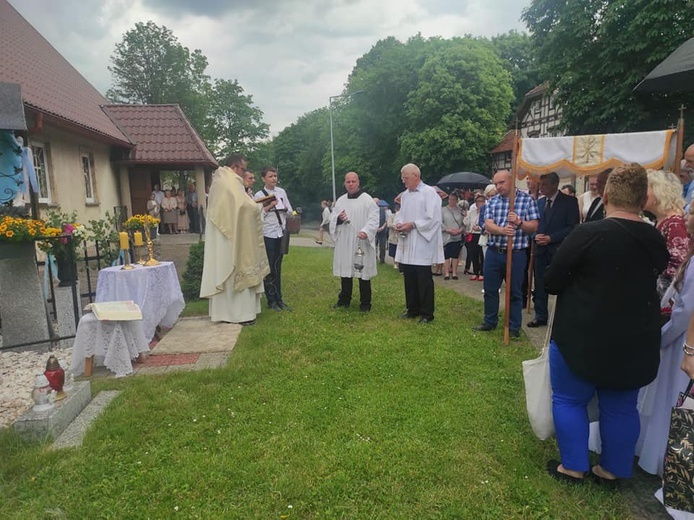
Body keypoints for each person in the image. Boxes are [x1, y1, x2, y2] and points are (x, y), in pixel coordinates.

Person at [543, 162, 668, 486]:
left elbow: (552, 281)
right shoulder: (655, 238)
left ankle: (573, 466)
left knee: (570, 399)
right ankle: (613, 470)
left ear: (608, 193)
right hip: (634, 339)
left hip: (581, 336)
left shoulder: (588, 234)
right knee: (622, 406)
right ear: (643, 200)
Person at [637, 200, 694, 477]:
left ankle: (665, 458)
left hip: (683, 341)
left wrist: (663, 335)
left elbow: (686, 309)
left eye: (692, 212)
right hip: (680, 334)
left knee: (673, 400)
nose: (686, 216)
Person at [199, 153, 270, 325]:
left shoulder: (221, 179)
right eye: (243, 169)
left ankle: (228, 313)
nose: (244, 173)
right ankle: (240, 314)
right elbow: (244, 207)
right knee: (235, 269)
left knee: (227, 269)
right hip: (231, 238)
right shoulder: (229, 181)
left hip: (226, 233)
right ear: (235, 167)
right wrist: (259, 206)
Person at [472, 170, 539, 339]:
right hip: (495, 252)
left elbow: (534, 226)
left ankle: (514, 326)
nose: (498, 186)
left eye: (501, 182)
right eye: (496, 184)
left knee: (515, 291)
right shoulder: (492, 202)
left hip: (516, 253)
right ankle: (490, 321)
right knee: (490, 289)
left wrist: (519, 222)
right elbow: (488, 225)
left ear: (511, 181)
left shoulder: (526, 200)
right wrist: (502, 230)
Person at [528, 172, 580, 328]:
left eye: (544, 184)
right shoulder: (538, 203)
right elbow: (532, 223)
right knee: (540, 284)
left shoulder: (569, 202)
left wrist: (552, 238)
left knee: (561, 283)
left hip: (558, 249)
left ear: (555, 184)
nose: (541, 187)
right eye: (540, 184)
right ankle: (541, 315)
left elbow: (572, 227)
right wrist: (535, 235)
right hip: (540, 250)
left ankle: (562, 317)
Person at [394, 163, 444, 324]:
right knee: (409, 276)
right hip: (407, 240)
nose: (404, 182)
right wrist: (399, 223)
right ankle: (412, 309)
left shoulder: (429, 193)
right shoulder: (406, 195)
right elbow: (400, 214)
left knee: (423, 279)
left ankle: (427, 313)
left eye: (406, 178)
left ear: (416, 176)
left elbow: (434, 218)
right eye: (403, 179)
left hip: (422, 242)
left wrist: (413, 224)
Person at [329, 172, 379, 311]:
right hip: (345, 240)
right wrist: (338, 218)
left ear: (358, 182)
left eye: (353, 181)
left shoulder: (367, 200)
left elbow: (374, 219)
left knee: (363, 273)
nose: (350, 184)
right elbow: (333, 218)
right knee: (346, 272)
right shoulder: (340, 201)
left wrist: (366, 231)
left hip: (361, 241)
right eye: (348, 182)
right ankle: (344, 300)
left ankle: (365, 303)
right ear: (344, 183)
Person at [644, 169, 689, 297]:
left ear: (659, 191)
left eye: (646, 188)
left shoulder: (675, 224)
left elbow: (678, 264)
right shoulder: (662, 220)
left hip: (666, 297)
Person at [255, 166, 293, 312]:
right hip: (268, 234)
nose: (274, 179)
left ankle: (279, 298)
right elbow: (257, 216)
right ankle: (271, 300)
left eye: (275, 176)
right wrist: (269, 206)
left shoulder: (281, 192)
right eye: (270, 176)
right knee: (270, 268)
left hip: (280, 233)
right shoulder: (259, 194)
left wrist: (283, 208)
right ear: (264, 178)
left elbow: (289, 210)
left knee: (278, 267)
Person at [441, 191, 465, 280]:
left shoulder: (460, 211)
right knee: (446, 254)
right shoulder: (443, 210)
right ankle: (447, 273)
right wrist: (447, 229)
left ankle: (454, 273)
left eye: (453, 199)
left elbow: (464, 223)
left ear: (456, 200)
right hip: (446, 235)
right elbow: (440, 223)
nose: (451, 201)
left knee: (455, 255)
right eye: (450, 199)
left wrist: (460, 230)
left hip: (457, 235)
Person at [463, 191, 485, 281]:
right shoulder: (471, 212)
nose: (479, 203)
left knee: (481, 254)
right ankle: (475, 271)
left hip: (481, 234)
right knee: (473, 254)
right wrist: (466, 216)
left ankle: (482, 273)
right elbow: (466, 223)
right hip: (472, 235)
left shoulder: (486, 212)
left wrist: (479, 227)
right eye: (477, 201)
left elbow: (485, 223)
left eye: (481, 201)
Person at [375, 199, 389, 264]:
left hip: (382, 230)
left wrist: (382, 227)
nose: (376, 203)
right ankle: (374, 258)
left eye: (377, 202)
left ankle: (382, 260)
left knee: (382, 246)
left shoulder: (383, 210)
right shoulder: (370, 210)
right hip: (373, 230)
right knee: (373, 245)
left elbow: (386, 220)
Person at [387, 202, 400, 269]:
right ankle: (395, 262)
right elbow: (389, 224)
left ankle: (400, 263)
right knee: (393, 250)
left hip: (400, 236)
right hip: (393, 236)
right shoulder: (392, 216)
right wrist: (394, 226)